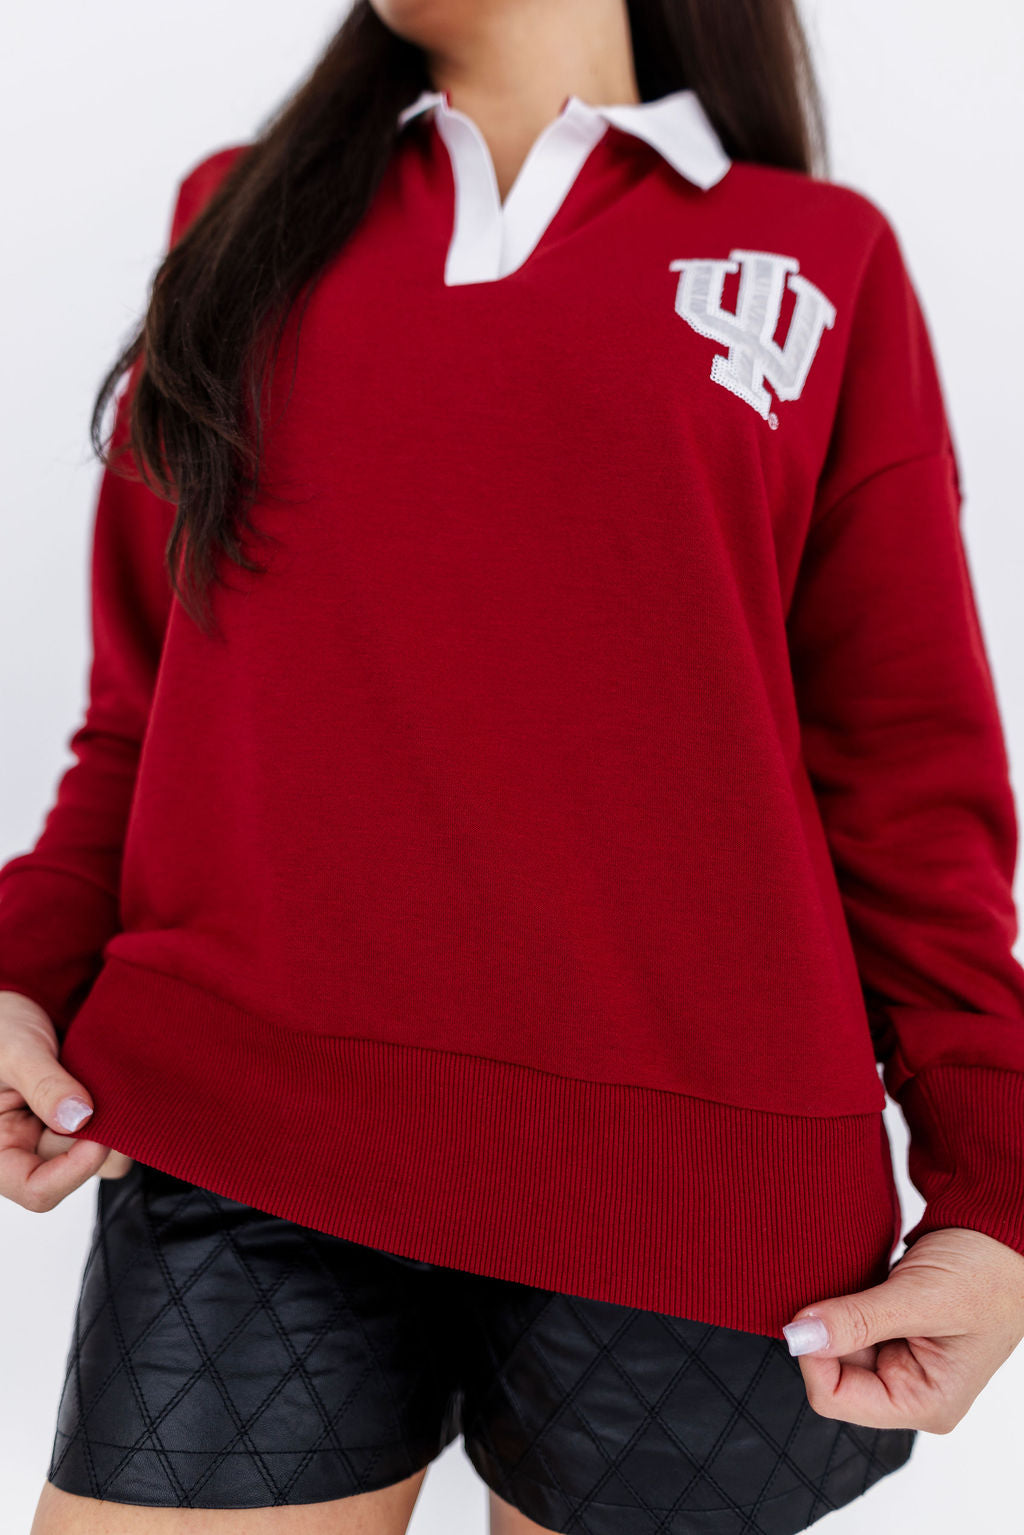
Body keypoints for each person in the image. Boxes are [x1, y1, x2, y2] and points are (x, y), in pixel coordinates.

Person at [3, 1, 1024, 1531]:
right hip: (244, 1124)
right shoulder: (241, 214)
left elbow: (907, 784)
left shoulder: (817, 255)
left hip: (696, 1181)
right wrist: (24, 970)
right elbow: (151, 711)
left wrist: (996, 1188)